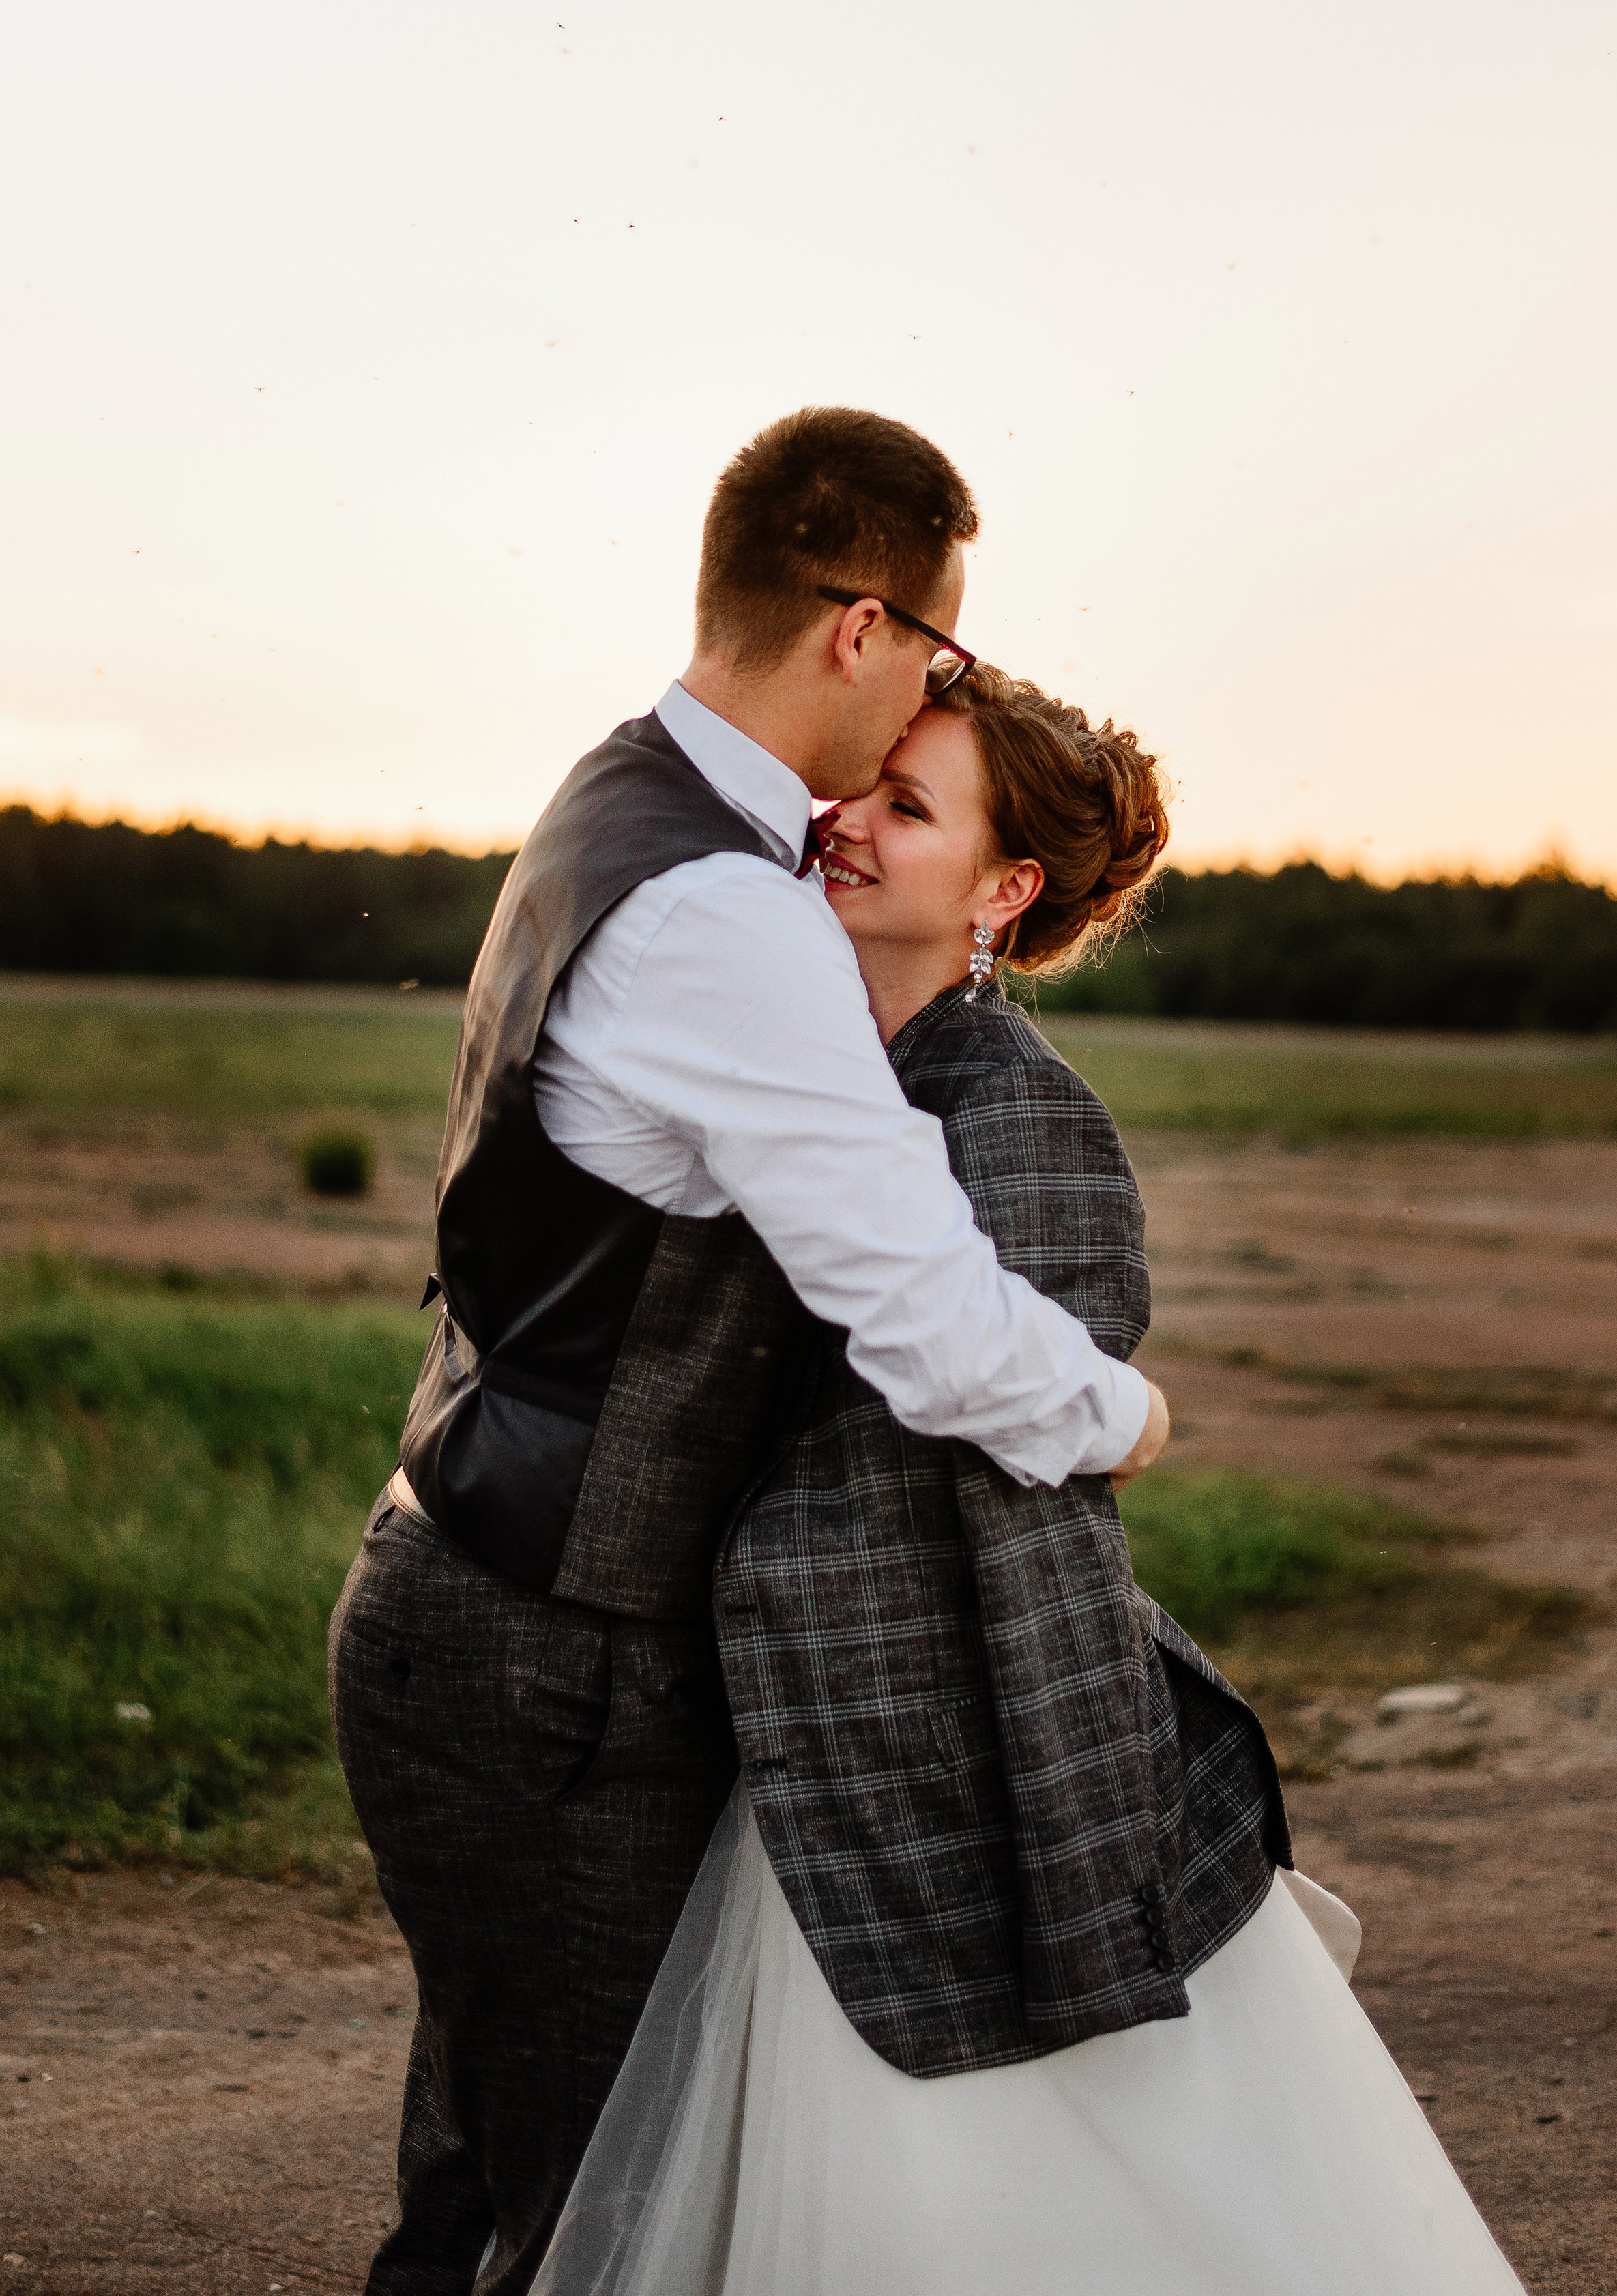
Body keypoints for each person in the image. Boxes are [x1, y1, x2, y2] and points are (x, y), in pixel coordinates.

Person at [531, 669, 1529, 2296]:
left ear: (1003, 894)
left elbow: (1025, 1512)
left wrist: (1063, 1820)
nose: (844, 821)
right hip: (796, 1720)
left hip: (930, 1742)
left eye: (908, 809)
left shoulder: (1020, 1114)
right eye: (860, 784)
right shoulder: (812, 1061)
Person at [327, 408, 1171, 2296]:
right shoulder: (725, 910)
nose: (925, 705)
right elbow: (934, 1320)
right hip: (545, 1659)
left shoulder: (628, 801)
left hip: (488, 1601)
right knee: (593, 2223)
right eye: (938, 657)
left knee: (494, 2183)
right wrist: (1123, 1410)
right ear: (863, 630)